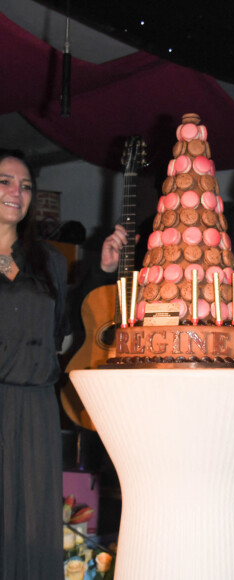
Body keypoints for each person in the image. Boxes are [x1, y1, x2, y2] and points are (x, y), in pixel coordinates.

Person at [0, 150, 71, 578]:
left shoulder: (50, 260)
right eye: (5, 181)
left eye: (26, 186)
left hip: (38, 406)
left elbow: (62, 327)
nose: (17, 192)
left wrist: (101, 275)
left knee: (35, 522)